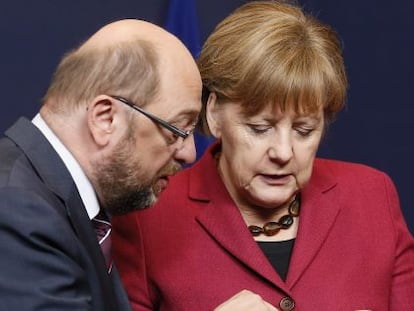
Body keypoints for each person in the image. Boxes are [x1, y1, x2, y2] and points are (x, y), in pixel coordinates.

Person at [112, 1, 414, 311]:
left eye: (304, 130)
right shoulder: (147, 214)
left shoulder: (374, 197)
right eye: (259, 128)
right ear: (214, 113)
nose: (283, 152)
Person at [0, 18, 202, 310]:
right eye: (175, 130)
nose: (189, 154)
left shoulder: (64, 204)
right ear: (105, 118)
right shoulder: (18, 209)